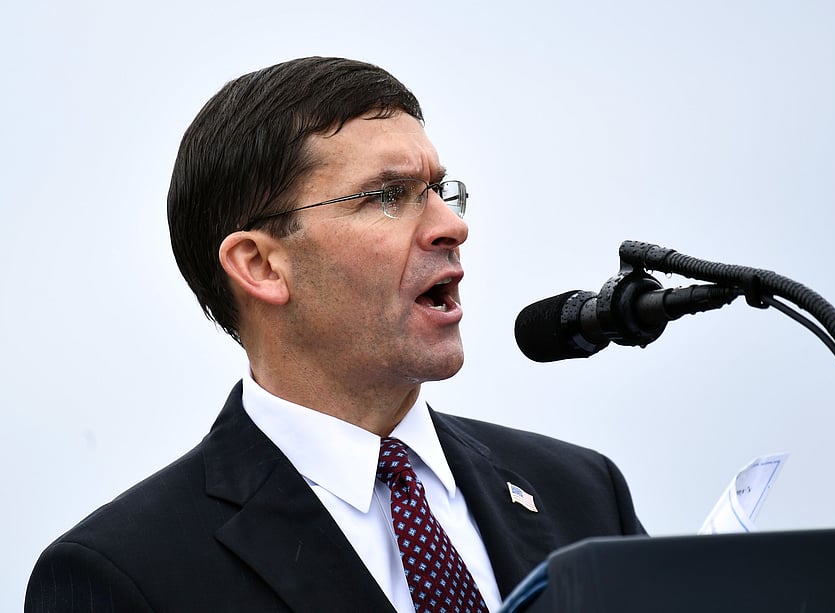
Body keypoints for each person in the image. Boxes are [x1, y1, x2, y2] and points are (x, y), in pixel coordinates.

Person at [25, 57, 644, 612]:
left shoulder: (583, 494)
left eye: (440, 190)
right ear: (261, 266)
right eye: (389, 196)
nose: (451, 226)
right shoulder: (123, 573)